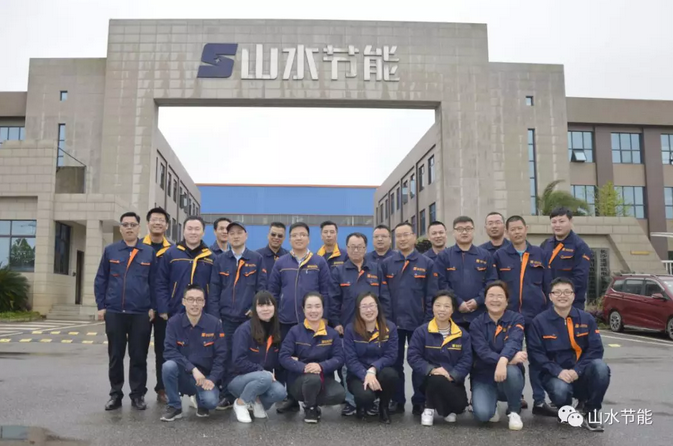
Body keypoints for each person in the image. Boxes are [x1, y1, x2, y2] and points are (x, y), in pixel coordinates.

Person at [528, 278, 610, 432]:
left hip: (580, 372)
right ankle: (565, 409)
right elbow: (536, 354)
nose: (562, 296)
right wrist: (558, 371)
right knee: (560, 390)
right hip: (554, 375)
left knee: (601, 368)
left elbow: (596, 350)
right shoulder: (539, 322)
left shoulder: (586, 319)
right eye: (557, 292)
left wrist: (577, 370)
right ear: (550, 296)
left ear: (573, 295)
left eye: (567, 292)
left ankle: (591, 411)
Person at [95, 212, 158, 411]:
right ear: (120, 228)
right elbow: (101, 279)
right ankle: (115, 395)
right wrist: (101, 306)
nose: (129, 228)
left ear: (139, 228)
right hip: (115, 311)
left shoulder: (148, 252)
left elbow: (155, 283)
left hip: (141, 313)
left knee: (138, 356)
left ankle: (138, 395)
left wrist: (153, 307)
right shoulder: (111, 251)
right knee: (115, 356)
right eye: (125, 224)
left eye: (133, 224)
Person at [493, 215, 555, 417]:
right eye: (512, 229)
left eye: (519, 228)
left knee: (537, 358)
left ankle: (539, 400)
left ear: (526, 229)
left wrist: (549, 313)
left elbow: (548, 285)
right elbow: (496, 288)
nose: (517, 232)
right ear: (507, 232)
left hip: (536, 315)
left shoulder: (540, 254)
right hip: (510, 316)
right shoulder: (500, 255)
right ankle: (516, 397)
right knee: (513, 357)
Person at [267, 222, 331, 413]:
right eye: (295, 235)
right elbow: (273, 292)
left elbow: (326, 292)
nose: (299, 238)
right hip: (285, 321)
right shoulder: (281, 263)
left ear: (308, 239)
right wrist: (273, 318)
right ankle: (290, 398)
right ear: (290, 239)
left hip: (312, 322)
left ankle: (313, 399)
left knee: (312, 358)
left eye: (302, 235)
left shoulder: (319, 262)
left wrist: (325, 318)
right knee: (285, 360)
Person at [379, 222, 438, 415]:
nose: (402, 239)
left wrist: (428, 321)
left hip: (419, 323)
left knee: (419, 363)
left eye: (406, 235)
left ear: (414, 236)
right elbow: (384, 295)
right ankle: (397, 400)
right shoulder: (387, 263)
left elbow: (431, 295)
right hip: (393, 324)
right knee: (394, 363)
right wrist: (386, 320)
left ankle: (419, 400)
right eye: (399, 235)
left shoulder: (426, 263)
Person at [207, 221, 266, 409]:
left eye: (239, 232)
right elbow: (214, 291)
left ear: (246, 235)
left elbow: (262, 288)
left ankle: (250, 394)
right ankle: (227, 395)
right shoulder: (220, 260)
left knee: (247, 357)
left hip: (248, 319)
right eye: (231, 233)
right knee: (225, 356)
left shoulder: (256, 259)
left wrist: (254, 309)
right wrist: (215, 316)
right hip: (225, 319)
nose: (235, 236)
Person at [330, 232, 386, 416]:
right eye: (352, 247)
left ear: (365, 248)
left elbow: (384, 298)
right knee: (347, 366)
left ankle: (373, 400)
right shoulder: (339, 271)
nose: (356, 250)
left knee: (372, 362)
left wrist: (384, 322)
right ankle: (350, 401)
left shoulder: (376, 269)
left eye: (359, 247)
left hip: (373, 327)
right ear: (346, 248)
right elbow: (333, 299)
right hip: (348, 327)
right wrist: (335, 322)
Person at [160, 285, 226, 421]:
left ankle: (201, 401)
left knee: (211, 402)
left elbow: (221, 355)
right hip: (184, 375)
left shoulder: (214, 324)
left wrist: (212, 378)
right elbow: (169, 351)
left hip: (205, 378)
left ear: (204, 303)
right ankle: (175, 406)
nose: (195, 304)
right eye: (190, 299)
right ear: (183, 301)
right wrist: (193, 369)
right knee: (168, 366)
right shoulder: (174, 323)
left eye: (199, 300)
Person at [279, 292, 345, 423]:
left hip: (323, 379)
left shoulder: (332, 333)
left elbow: (339, 358)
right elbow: (283, 357)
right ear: (303, 309)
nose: (313, 310)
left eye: (317, 306)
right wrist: (304, 367)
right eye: (309, 307)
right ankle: (310, 408)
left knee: (339, 394)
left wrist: (321, 366)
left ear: (323, 309)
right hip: (299, 381)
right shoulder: (294, 331)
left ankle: (313, 402)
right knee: (312, 379)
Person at [407, 290, 472, 426]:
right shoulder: (421, 331)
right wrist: (432, 370)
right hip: (426, 380)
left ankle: (446, 409)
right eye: (438, 305)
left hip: (451, 381)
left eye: (447, 306)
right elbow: (413, 356)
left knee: (460, 406)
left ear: (453, 310)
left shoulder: (462, 334)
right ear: (432, 307)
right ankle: (429, 408)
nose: (442, 309)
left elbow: (466, 360)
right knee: (436, 378)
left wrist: (452, 375)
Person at [470, 281, 526, 430]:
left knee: (512, 371)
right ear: (485, 300)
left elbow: (514, 342)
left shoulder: (517, 319)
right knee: (483, 415)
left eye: (500, 296)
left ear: (506, 301)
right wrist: (507, 360)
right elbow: (482, 352)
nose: (495, 300)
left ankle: (514, 411)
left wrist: (503, 361)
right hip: (484, 376)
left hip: (507, 376)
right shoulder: (476, 323)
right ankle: (491, 404)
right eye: (491, 296)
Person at [228, 291, 287, 423]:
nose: (265, 309)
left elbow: (278, 363)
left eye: (269, 305)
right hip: (238, 380)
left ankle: (256, 401)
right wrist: (261, 370)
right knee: (264, 377)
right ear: (255, 309)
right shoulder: (244, 330)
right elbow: (238, 361)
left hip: (262, 379)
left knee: (280, 392)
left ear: (275, 307)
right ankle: (241, 403)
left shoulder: (276, 331)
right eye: (261, 305)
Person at [343, 292, 399, 423]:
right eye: (364, 307)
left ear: (378, 307)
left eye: (371, 305)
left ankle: (383, 407)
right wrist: (365, 375)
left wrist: (373, 369)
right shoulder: (350, 329)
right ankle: (361, 406)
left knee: (391, 375)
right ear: (358, 310)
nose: (369, 310)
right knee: (365, 396)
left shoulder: (389, 328)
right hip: (357, 375)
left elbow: (391, 356)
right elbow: (350, 360)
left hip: (380, 372)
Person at [434, 216, 496, 331]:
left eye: (468, 229)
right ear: (453, 232)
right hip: (453, 316)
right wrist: (458, 302)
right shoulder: (444, 256)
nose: (464, 232)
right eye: (460, 229)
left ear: (473, 231)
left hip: (480, 315)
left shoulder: (485, 255)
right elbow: (441, 283)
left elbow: (491, 282)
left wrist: (478, 301)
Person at [141, 207, 172, 403]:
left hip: (163, 310)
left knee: (163, 351)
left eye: (161, 220)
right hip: (142, 309)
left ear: (166, 225)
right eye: (154, 219)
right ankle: (138, 391)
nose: (158, 223)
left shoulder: (172, 250)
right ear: (148, 223)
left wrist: (163, 308)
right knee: (139, 351)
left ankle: (162, 388)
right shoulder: (138, 247)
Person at [540, 207, 592, 310]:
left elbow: (580, 279)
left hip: (570, 304)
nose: (557, 225)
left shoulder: (580, 246)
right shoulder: (546, 244)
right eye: (554, 222)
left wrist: (560, 293)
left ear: (571, 221)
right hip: (548, 302)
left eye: (561, 221)